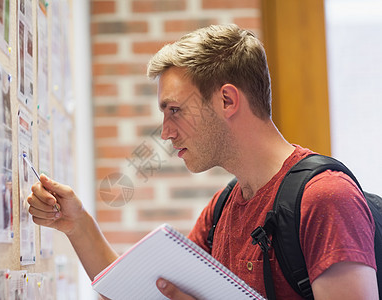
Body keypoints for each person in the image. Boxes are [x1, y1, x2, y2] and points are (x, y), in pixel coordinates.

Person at [27, 24, 378, 299]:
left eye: (175, 110)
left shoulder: (326, 198)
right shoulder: (223, 209)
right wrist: (77, 225)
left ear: (227, 100)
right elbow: (148, 294)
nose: (165, 133)